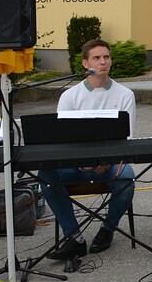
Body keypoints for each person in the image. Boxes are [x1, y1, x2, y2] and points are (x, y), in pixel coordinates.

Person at [39, 39, 136, 260]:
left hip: (109, 164)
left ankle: (108, 229)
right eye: (97, 58)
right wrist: (82, 163)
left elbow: (127, 137)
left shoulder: (125, 94)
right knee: (45, 175)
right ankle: (74, 238)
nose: (103, 62)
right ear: (85, 64)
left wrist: (105, 162)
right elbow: (63, 140)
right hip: (75, 164)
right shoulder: (69, 96)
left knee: (127, 177)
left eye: (106, 57)